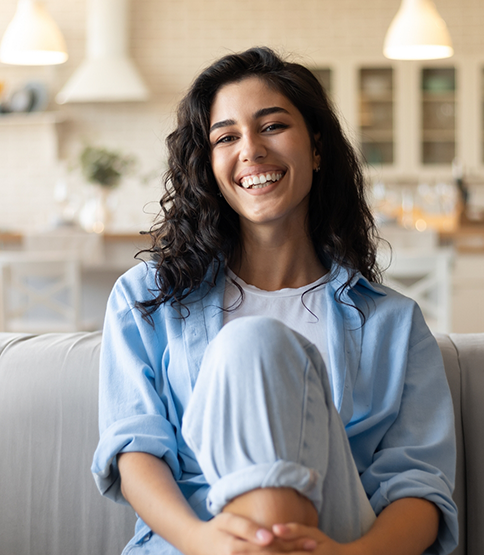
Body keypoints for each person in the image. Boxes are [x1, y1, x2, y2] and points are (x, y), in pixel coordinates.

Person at [92, 47, 458, 555]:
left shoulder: (395, 323)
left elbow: (419, 489)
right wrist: (201, 540)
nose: (251, 150)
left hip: (341, 539)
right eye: (226, 137)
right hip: (192, 541)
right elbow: (135, 448)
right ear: (209, 164)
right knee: (252, 343)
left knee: (254, 344)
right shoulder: (145, 298)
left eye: (272, 126)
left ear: (316, 148)